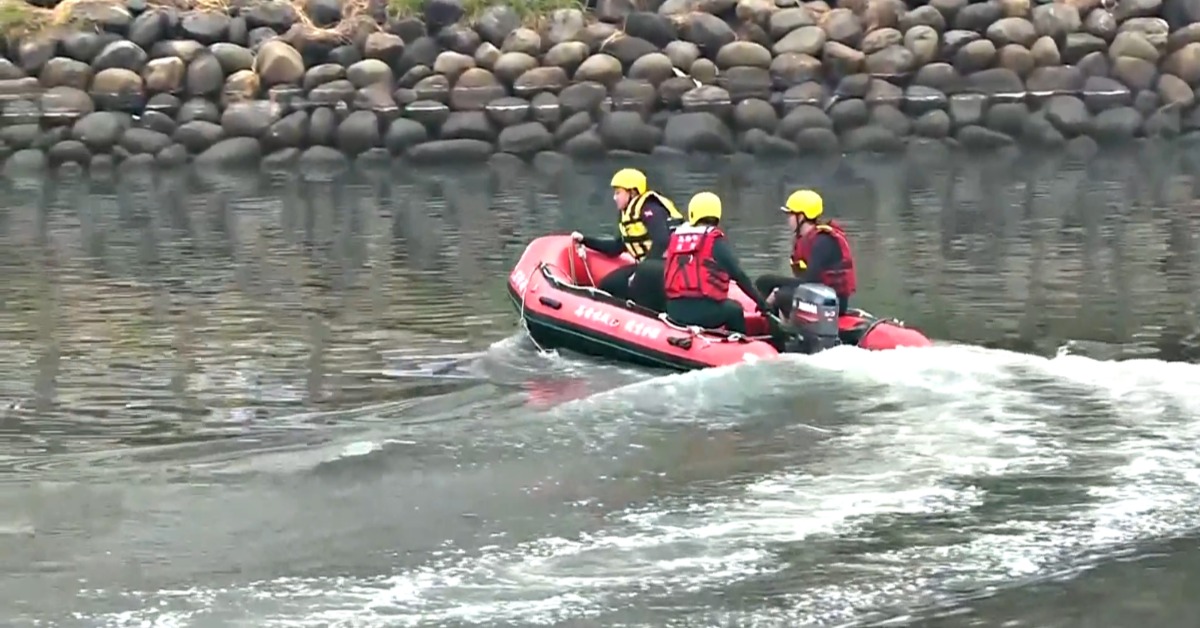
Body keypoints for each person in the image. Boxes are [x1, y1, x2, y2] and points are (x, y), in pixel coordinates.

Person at [570, 168, 684, 308]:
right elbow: (616, 247)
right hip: (648, 268)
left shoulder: (650, 209)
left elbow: (662, 241)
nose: (614, 197)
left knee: (638, 291)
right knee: (608, 285)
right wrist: (585, 240)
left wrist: (642, 271)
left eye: (618, 193)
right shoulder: (630, 214)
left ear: (632, 192)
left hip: (667, 270)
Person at [663, 191, 770, 334]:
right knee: (735, 310)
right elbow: (738, 275)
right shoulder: (714, 240)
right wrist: (762, 303)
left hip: (674, 309)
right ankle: (740, 344)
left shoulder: (676, 237)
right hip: (703, 312)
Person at [755, 189, 858, 317]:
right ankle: (770, 321)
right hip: (815, 292)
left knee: (782, 295)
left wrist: (778, 292)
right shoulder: (806, 238)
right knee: (764, 281)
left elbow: (811, 281)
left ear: (801, 217)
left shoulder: (823, 241)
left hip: (831, 301)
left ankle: (784, 332)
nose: (788, 220)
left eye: (791, 215)